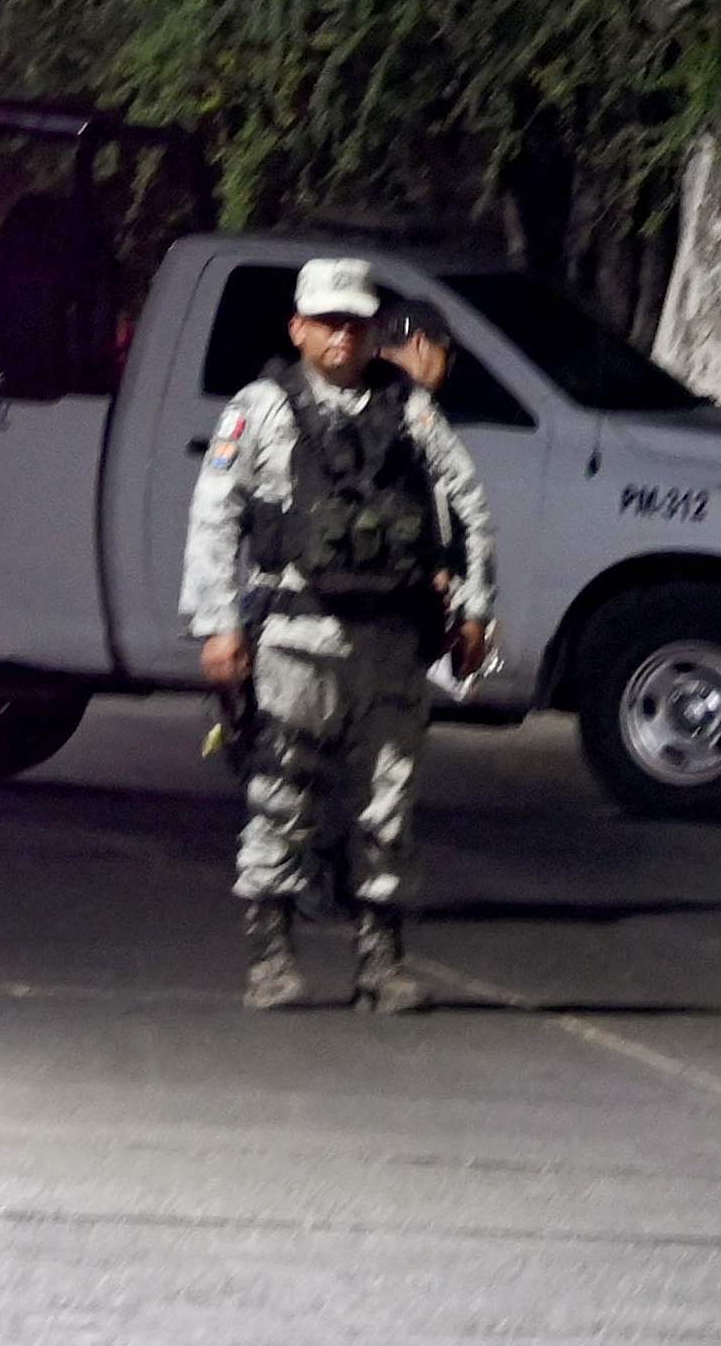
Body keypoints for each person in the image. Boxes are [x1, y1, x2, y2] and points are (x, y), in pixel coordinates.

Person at [183, 255, 497, 1013]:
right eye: (326, 322)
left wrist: (475, 611)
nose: (340, 338)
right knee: (280, 799)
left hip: (389, 644)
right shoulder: (257, 410)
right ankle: (271, 957)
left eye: (354, 324)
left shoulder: (411, 411)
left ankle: (380, 963)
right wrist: (219, 624)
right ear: (298, 327)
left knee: (388, 805)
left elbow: (471, 503)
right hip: (293, 640)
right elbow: (214, 515)